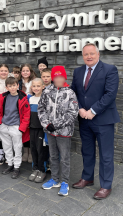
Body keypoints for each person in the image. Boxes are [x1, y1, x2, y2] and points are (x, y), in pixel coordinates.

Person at [70, 43, 120, 200]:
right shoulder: (78, 71)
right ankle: (87, 177)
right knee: (87, 150)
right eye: (86, 54)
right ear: (82, 56)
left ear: (98, 55)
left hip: (103, 119)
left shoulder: (110, 70)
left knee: (106, 154)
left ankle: (106, 185)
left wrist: (93, 111)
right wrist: (79, 109)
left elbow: (110, 94)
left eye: (92, 53)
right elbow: (73, 92)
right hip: (84, 119)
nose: (89, 57)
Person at [38, 66, 79, 196]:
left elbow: (72, 113)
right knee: (53, 156)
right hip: (50, 131)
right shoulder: (47, 91)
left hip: (64, 132)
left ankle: (64, 182)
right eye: (55, 77)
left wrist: (55, 124)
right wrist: (47, 124)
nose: (58, 79)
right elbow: (41, 109)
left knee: (65, 158)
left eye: (60, 76)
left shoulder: (70, 92)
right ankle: (55, 179)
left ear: (64, 77)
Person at [0, 77, 30, 179]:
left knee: (17, 147)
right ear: (6, 87)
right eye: (10, 86)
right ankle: (10, 164)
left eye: (14, 85)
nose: (12, 88)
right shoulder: (4, 97)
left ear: (17, 85)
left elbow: (26, 115)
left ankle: (16, 167)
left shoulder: (22, 98)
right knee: (7, 147)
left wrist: (21, 129)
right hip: (4, 126)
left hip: (16, 126)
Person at [27, 78, 47, 183]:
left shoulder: (45, 99)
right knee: (33, 149)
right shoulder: (30, 99)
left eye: (38, 86)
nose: (36, 88)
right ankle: (35, 169)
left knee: (41, 150)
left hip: (41, 129)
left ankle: (42, 170)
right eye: (34, 86)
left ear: (43, 86)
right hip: (32, 128)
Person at [18, 64, 36, 163]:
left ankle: (31, 152)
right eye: (23, 70)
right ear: (21, 72)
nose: (25, 72)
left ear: (30, 71)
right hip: (22, 109)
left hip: (32, 108)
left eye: (27, 70)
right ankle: (25, 151)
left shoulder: (34, 81)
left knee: (31, 131)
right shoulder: (18, 82)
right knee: (24, 130)